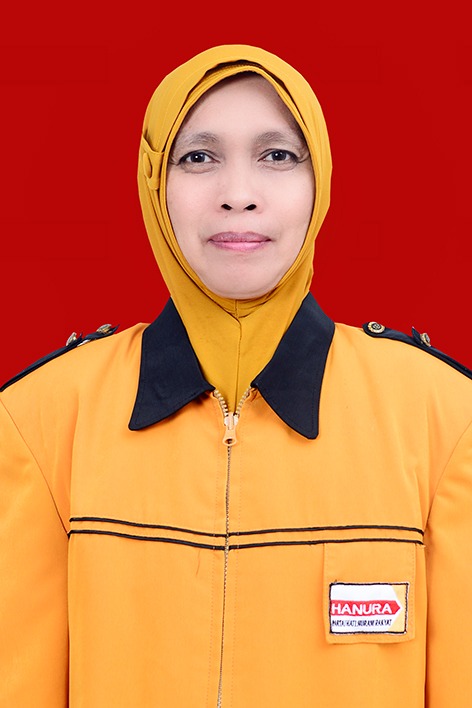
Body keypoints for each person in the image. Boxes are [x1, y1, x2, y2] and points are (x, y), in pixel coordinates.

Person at [1, 43, 471, 708]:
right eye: (198, 158)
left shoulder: (445, 419)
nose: (239, 197)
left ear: (320, 179)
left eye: (278, 155)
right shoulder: (40, 421)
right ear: (154, 182)